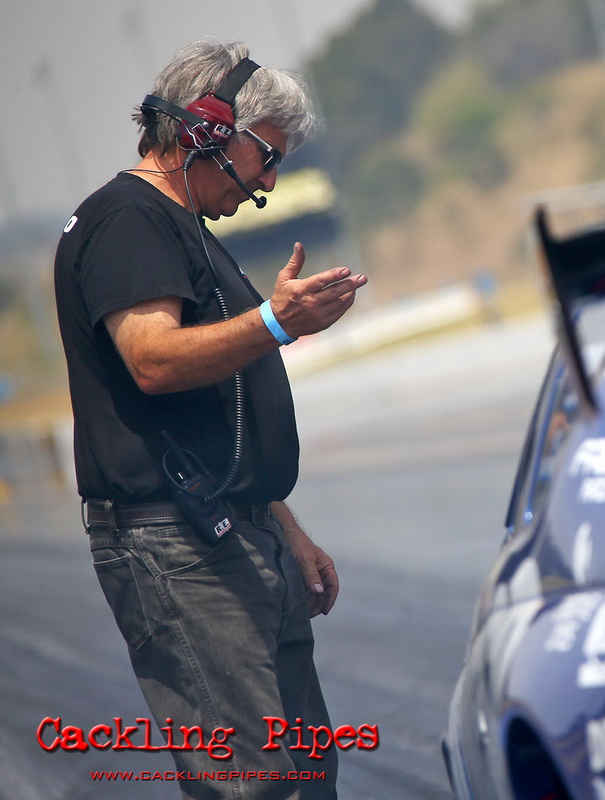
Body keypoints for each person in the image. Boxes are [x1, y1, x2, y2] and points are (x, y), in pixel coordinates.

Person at [53, 39, 364, 799]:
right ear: (207, 127)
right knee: (253, 783)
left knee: (306, 775)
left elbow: (216, 417)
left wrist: (283, 527)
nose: (270, 182)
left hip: (229, 530)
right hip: (179, 547)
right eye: (268, 156)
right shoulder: (128, 220)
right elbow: (153, 360)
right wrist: (275, 323)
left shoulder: (181, 227)